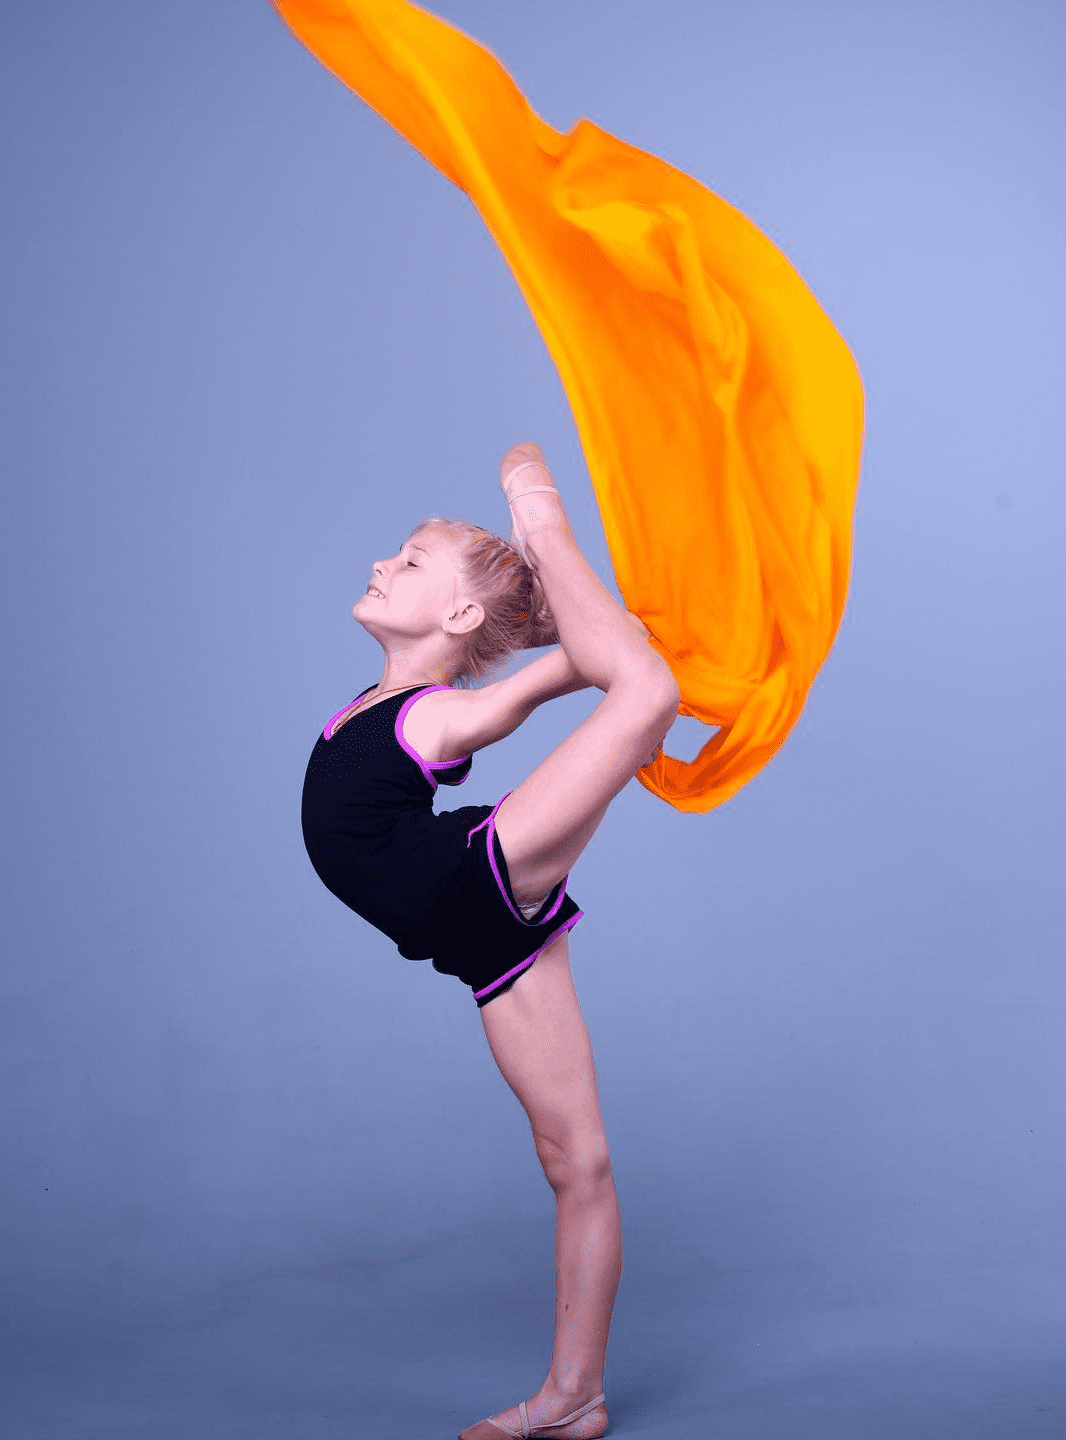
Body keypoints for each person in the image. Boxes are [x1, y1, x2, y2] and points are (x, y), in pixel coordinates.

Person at [300, 441, 680, 1439]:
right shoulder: (386, 701)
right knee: (576, 1160)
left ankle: (547, 521)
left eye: (411, 561)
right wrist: (555, 622)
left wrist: (534, 527)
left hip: (474, 875)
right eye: (397, 553)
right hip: (476, 938)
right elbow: (576, 657)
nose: (383, 564)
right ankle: (575, 1398)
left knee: (645, 693)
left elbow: (588, 677)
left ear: (460, 618)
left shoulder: (436, 715)